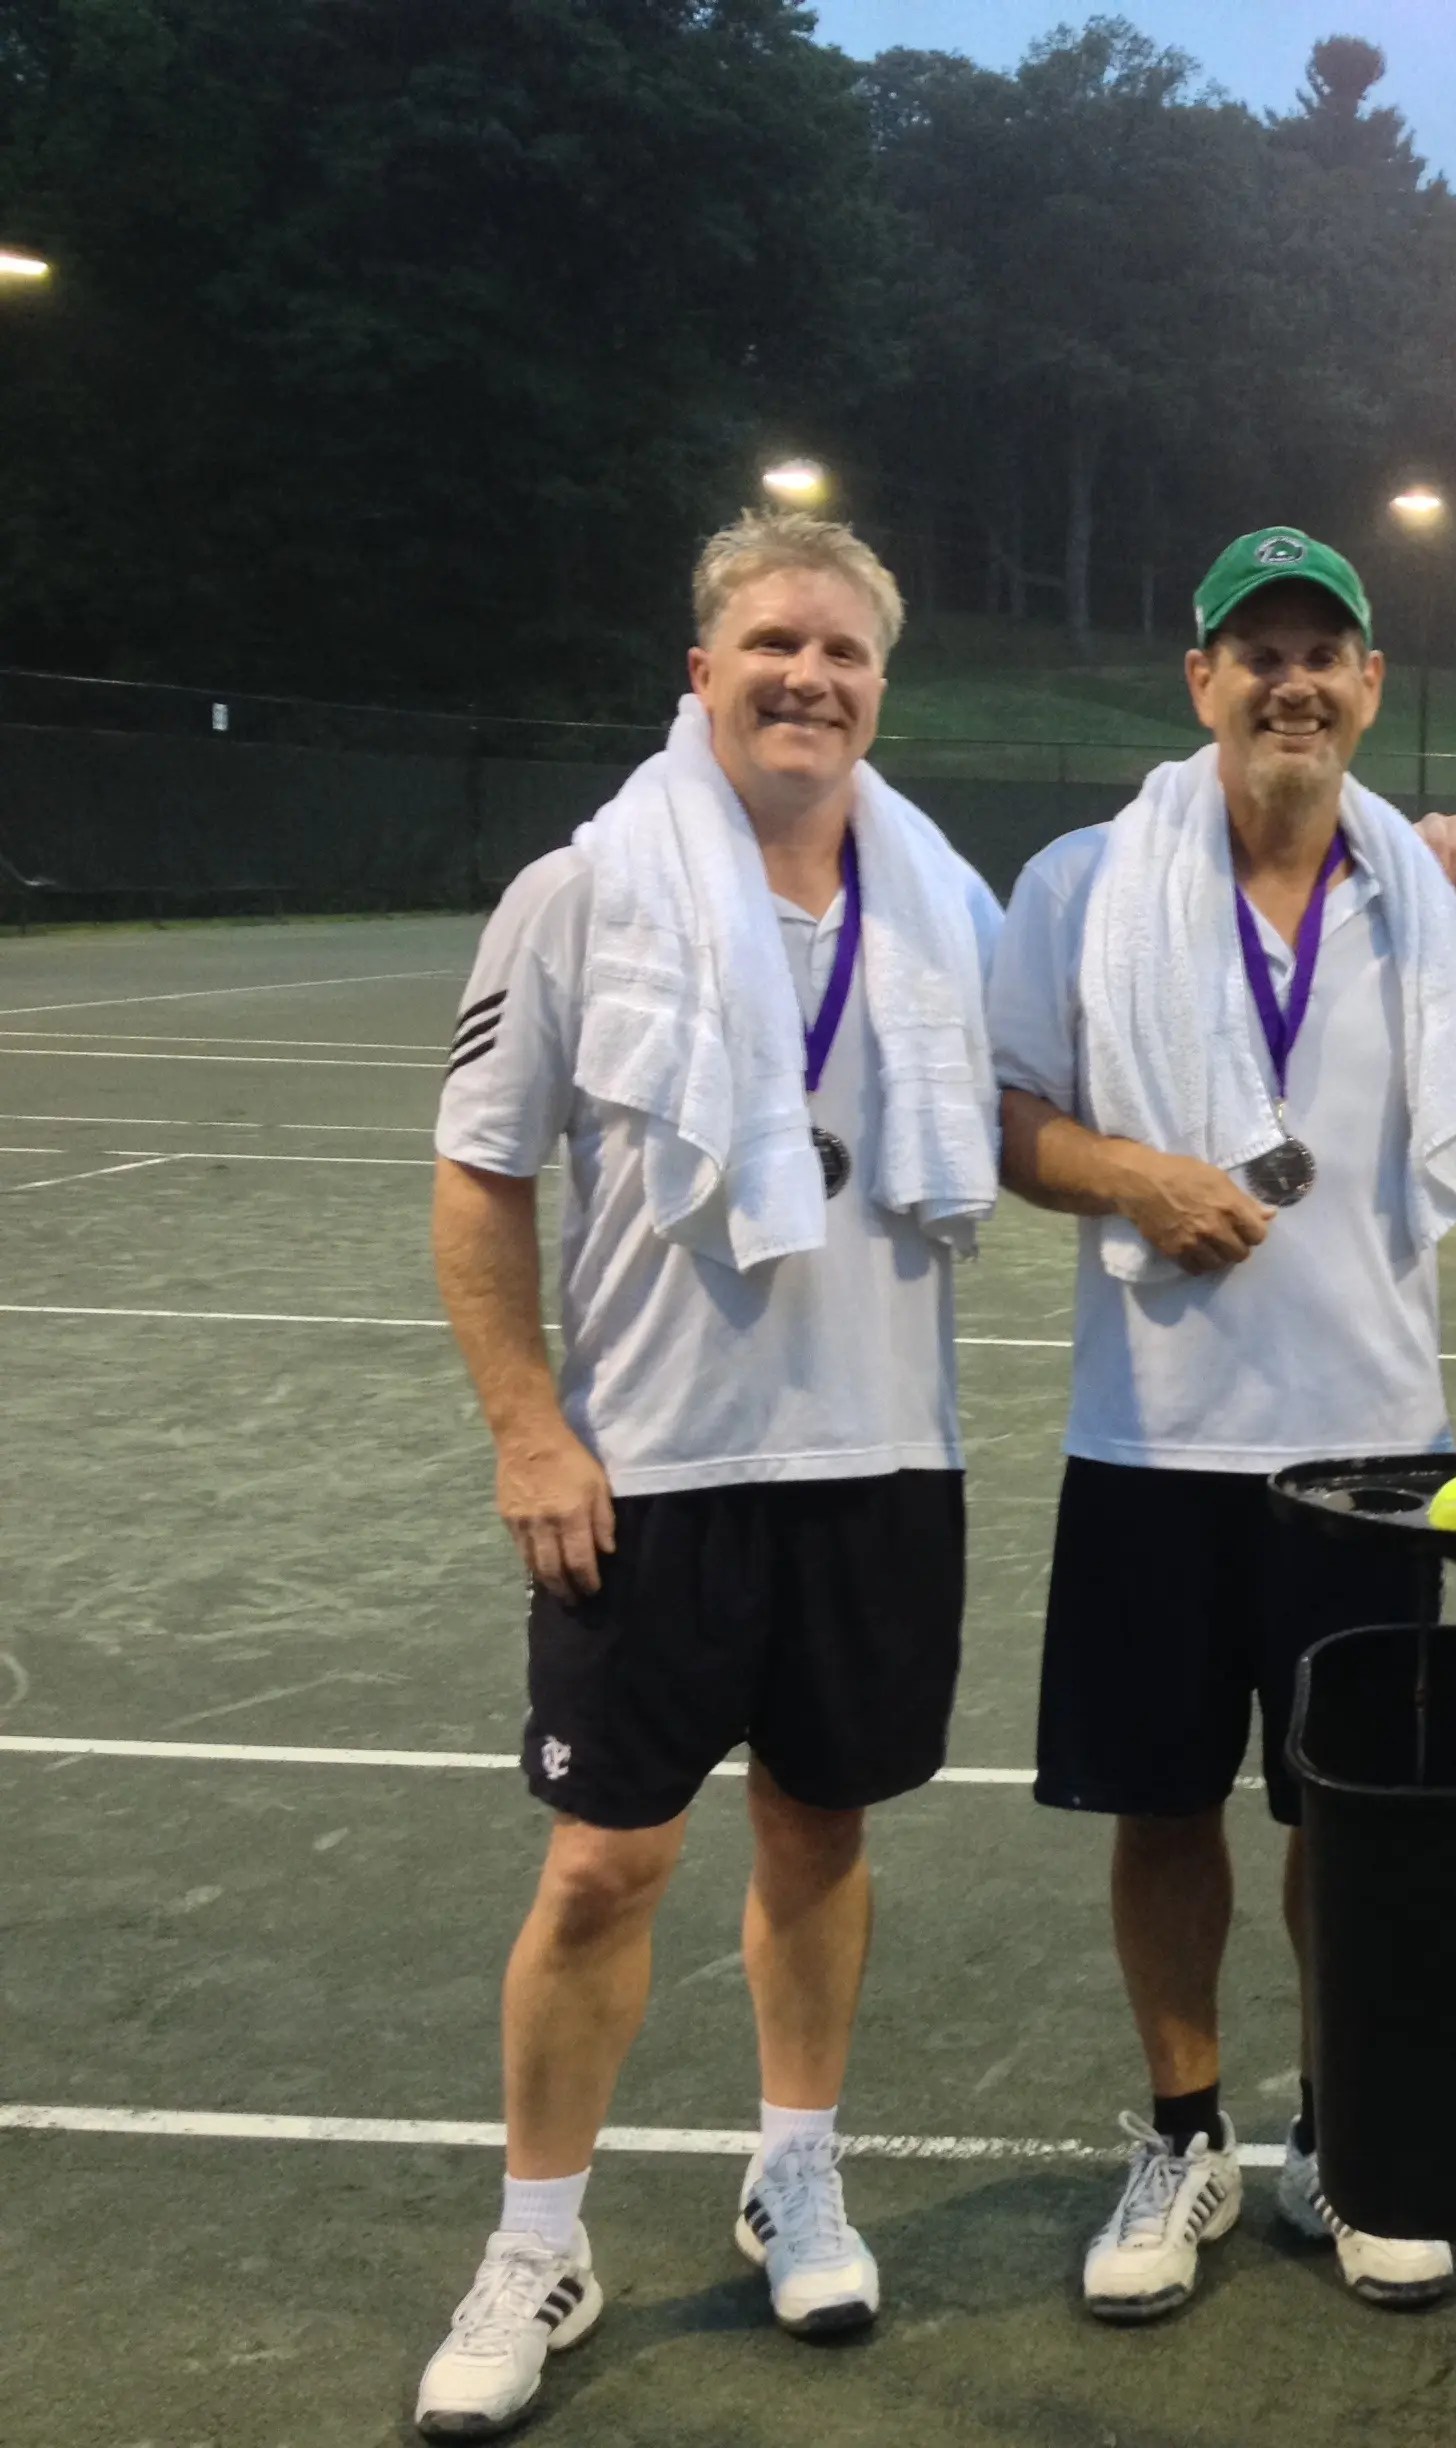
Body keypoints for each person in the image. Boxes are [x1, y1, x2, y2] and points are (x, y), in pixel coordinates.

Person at [986, 526, 1456, 2323]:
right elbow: (1003, 1116)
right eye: (1252, 650)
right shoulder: (1079, 883)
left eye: (1322, 652)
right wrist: (1129, 1173)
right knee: (1160, 1806)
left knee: (1351, 1819)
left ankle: (1349, 2136)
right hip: (1152, 1438)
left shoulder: (1418, 902)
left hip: (1365, 1448)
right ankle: (1185, 2133)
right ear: (1198, 683)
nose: (1290, 680)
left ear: (1366, 685)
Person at [417, 511, 1004, 2439]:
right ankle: (537, 2244)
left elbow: (1108, 1030)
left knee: (821, 1835)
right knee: (603, 1867)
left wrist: (1408, 864)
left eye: (843, 651)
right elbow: (481, 1178)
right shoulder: (581, 893)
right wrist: (527, 1424)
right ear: (703, 671)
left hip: (880, 1457)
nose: (808, 677)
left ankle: (796, 2170)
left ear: (879, 689)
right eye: (772, 643)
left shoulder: (947, 905)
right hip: (648, 1474)